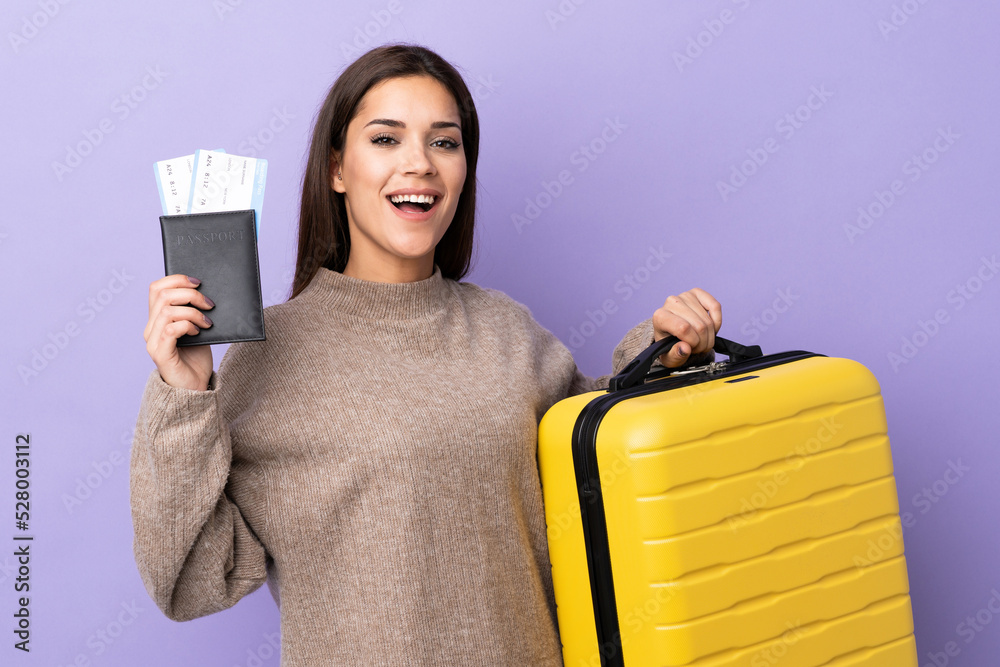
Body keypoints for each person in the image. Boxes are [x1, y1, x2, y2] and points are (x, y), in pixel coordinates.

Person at [131, 44, 722, 666]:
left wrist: (663, 353)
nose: (419, 163)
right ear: (337, 168)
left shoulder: (505, 328)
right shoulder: (269, 356)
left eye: (445, 142)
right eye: (385, 139)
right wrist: (185, 395)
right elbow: (192, 583)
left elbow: (597, 468)